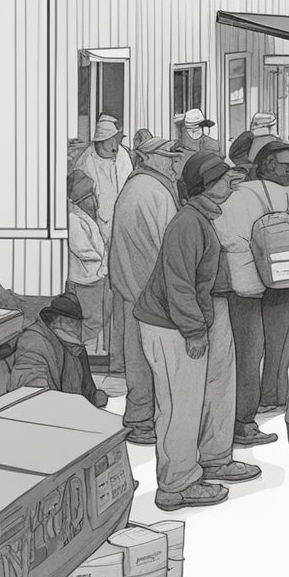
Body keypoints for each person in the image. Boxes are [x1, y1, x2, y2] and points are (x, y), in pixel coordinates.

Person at [134, 151, 259, 511]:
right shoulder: (187, 223)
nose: (230, 182)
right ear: (204, 186)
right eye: (222, 178)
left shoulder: (203, 217)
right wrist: (193, 330)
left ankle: (215, 459)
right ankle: (176, 485)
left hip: (195, 317)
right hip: (170, 325)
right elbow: (179, 284)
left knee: (215, 391)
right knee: (180, 406)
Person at [215, 136, 289, 444]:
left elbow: (226, 237)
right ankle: (272, 396)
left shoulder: (237, 195)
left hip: (247, 283)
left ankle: (245, 415)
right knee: (282, 342)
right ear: (268, 164)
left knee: (249, 351)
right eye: (285, 165)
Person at [109, 135, 183, 444]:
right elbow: (172, 247)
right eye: (168, 158)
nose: (173, 164)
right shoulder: (156, 192)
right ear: (150, 159)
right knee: (156, 363)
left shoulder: (134, 187)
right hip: (152, 293)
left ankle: (139, 420)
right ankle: (144, 422)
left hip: (131, 290)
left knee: (137, 361)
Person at [8, 292, 109, 408]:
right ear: (58, 321)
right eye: (72, 323)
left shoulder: (75, 346)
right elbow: (31, 391)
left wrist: (95, 398)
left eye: (77, 323)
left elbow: (89, 392)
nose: (77, 329)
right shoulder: (34, 341)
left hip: (73, 411)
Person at [67, 170, 109, 356]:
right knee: (92, 320)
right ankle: (74, 350)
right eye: (91, 196)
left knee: (96, 318)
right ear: (82, 198)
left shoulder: (83, 216)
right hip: (86, 278)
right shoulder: (73, 218)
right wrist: (101, 259)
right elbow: (81, 248)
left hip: (93, 276)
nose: (95, 200)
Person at [73, 114, 134, 239]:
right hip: (100, 224)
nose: (116, 143)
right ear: (102, 140)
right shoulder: (86, 160)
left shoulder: (123, 155)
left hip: (124, 219)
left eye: (118, 139)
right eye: (113, 139)